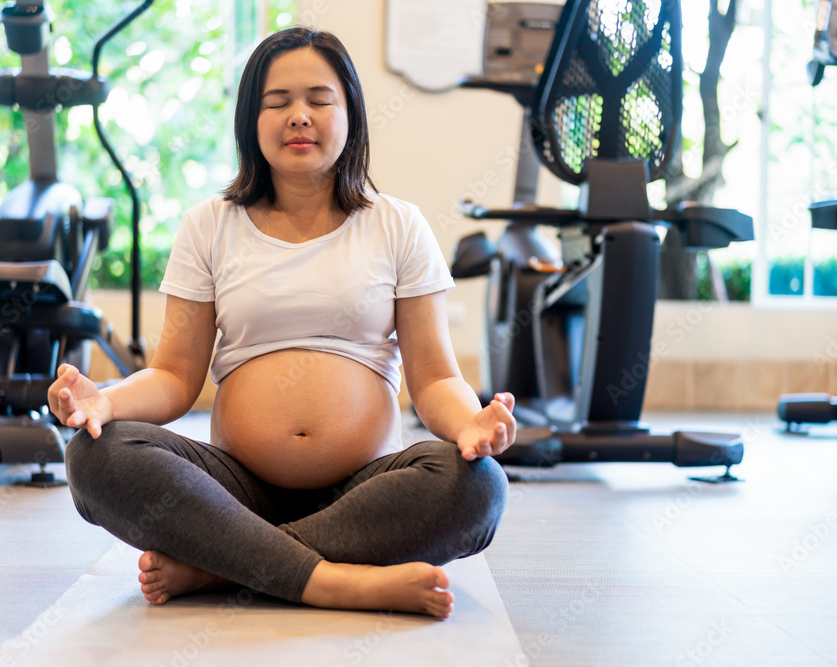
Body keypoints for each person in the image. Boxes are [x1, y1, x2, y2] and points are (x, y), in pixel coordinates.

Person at [49, 26, 515, 620]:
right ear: (253, 118)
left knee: (478, 485)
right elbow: (172, 376)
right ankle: (337, 582)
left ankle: (220, 566)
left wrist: (471, 424)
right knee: (94, 457)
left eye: (320, 100)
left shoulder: (398, 225)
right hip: (234, 493)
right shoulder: (209, 225)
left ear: (351, 115)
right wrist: (107, 401)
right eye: (278, 103)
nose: (300, 116)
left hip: (364, 492)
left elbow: (433, 379)